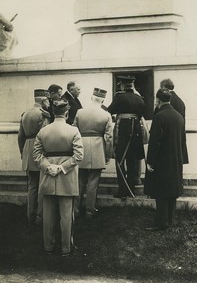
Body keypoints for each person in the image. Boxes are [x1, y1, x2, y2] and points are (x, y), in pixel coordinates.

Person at [33, 100, 83, 256]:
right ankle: (66, 248)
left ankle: (48, 247)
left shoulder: (43, 131)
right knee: (67, 216)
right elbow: (79, 155)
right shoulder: (73, 131)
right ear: (67, 113)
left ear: (54, 113)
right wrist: (62, 167)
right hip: (67, 178)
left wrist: (48, 166)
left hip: (48, 176)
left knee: (48, 216)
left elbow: (36, 155)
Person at [144, 88, 186, 231]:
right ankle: (170, 219)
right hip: (176, 158)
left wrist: (150, 161)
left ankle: (161, 222)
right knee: (172, 191)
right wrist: (182, 159)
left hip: (162, 159)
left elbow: (155, 141)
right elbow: (182, 141)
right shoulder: (179, 116)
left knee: (161, 191)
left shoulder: (159, 116)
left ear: (158, 100)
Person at [73, 88, 113, 219]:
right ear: (102, 100)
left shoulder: (80, 112)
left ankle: (76, 210)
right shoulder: (106, 115)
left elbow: (74, 131)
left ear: (92, 98)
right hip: (97, 148)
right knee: (93, 182)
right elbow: (109, 137)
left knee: (79, 181)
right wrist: (108, 154)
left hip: (81, 147)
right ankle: (90, 211)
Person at [107, 76, 145, 198]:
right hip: (136, 131)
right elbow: (140, 115)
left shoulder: (119, 97)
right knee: (132, 160)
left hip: (123, 129)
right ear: (132, 86)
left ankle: (123, 191)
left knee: (120, 160)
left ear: (122, 86)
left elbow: (109, 111)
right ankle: (131, 189)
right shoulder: (140, 99)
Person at [18, 89, 50, 225]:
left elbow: (20, 136)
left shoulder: (25, 114)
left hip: (27, 148)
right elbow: (45, 136)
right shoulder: (43, 115)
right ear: (43, 100)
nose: (49, 103)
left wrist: (22, 152)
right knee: (42, 186)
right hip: (40, 150)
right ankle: (39, 217)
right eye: (47, 100)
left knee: (32, 186)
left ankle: (30, 215)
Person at [155, 78, 189, 164]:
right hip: (178, 140)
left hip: (166, 142)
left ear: (163, 87)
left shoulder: (164, 100)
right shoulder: (181, 102)